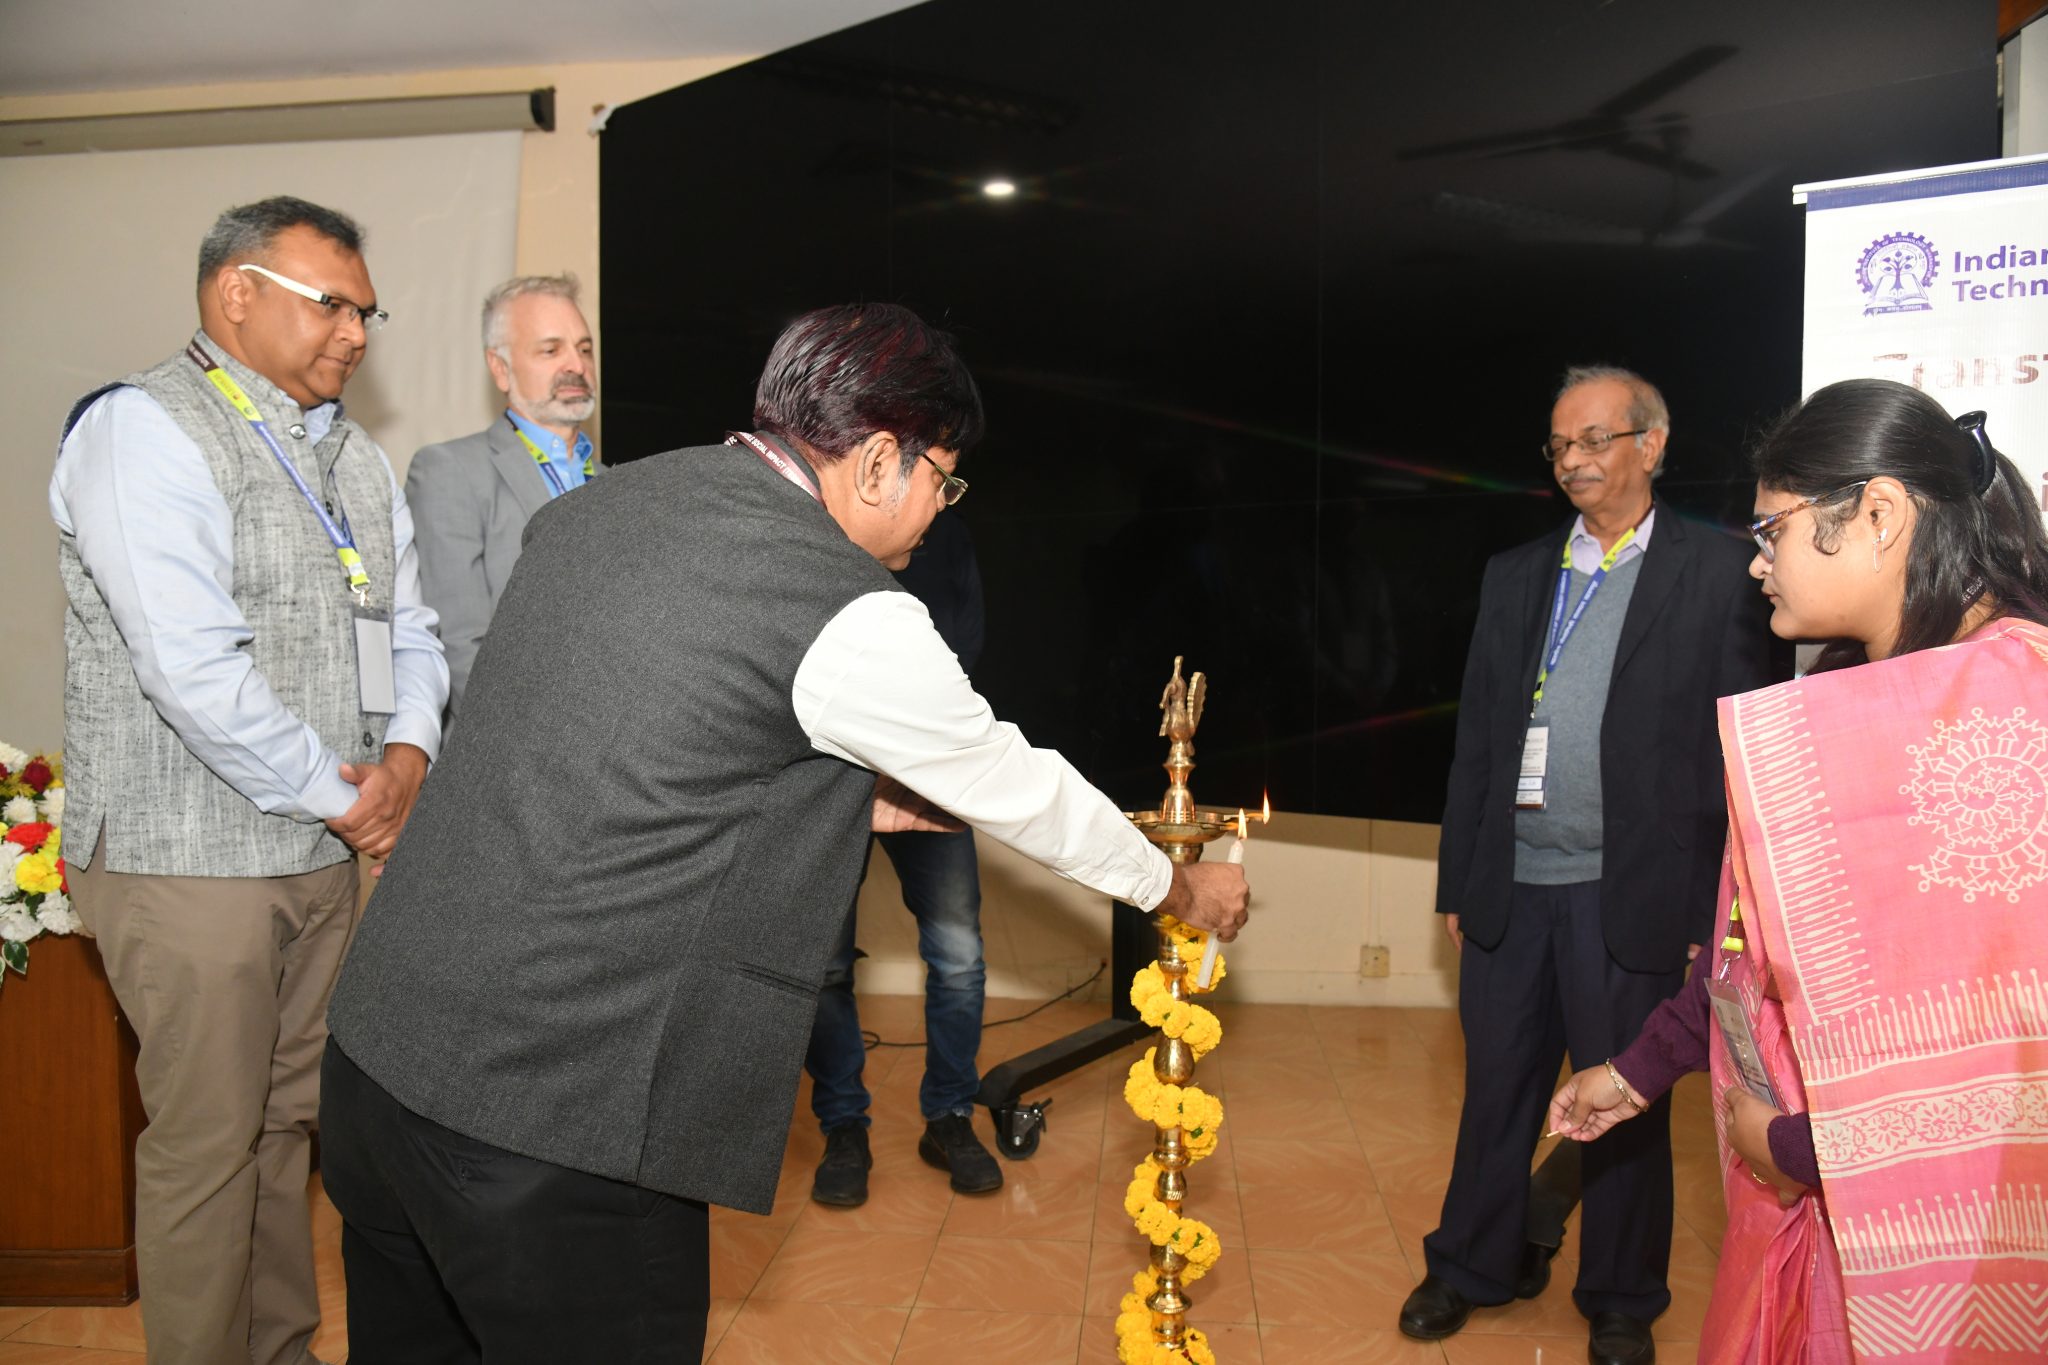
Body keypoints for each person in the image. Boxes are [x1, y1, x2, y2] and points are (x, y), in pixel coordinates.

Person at [318, 302, 1251, 1362]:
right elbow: (1018, 785)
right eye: (943, 482)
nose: (939, 512)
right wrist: (1178, 888)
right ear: (878, 461)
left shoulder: (609, 499)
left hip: (377, 1067)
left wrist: (843, 800)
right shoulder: (843, 604)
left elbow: (615, 742)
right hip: (553, 1125)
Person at [1550, 379, 2048, 1363]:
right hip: (1822, 1221)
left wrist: (1791, 1147)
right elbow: (1752, 946)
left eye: (1772, 530)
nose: (1756, 562)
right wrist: (1640, 1070)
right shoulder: (1854, 697)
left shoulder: (2012, 710)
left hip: (1959, 1257)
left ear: (1877, 514)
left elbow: (2002, 1056)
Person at [47, 196, 447, 1365]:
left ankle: (278, 1351)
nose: (357, 333)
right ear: (237, 293)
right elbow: (188, 664)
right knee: (209, 1145)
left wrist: (408, 755)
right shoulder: (140, 429)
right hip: (189, 858)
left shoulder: (353, 455)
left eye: (368, 313)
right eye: (334, 305)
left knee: (285, 1131)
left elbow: (408, 628)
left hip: (321, 853)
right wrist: (351, 795)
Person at [1400, 366, 1788, 1364]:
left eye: (1592, 440)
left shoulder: (1718, 573)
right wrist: (1460, 876)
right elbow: (1478, 739)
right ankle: (1469, 1264)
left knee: (1625, 1102)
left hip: (1635, 891)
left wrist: (1713, 908)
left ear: (1651, 444)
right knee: (1497, 1089)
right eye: (1559, 445)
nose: (1571, 461)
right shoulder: (1516, 573)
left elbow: (1739, 755)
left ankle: (1620, 1296)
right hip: (1511, 886)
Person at [807, 511, 1006, 1205]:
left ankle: (949, 1116)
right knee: (824, 966)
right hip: (826, 774)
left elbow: (964, 644)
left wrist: (910, 751)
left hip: (926, 770)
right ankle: (842, 1127)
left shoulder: (942, 527)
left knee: (959, 957)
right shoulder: (810, 523)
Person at [406, 273, 600, 720]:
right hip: (515, 739)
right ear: (499, 368)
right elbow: (459, 646)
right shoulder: (450, 471)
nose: (576, 364)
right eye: (551, 350)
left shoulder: (619, 484)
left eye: (585, 348)